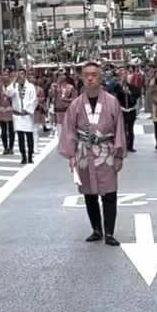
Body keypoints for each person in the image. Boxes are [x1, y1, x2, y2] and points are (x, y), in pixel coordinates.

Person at [58, 62, 127, 246]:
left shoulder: (112, 102)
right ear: (82, 78)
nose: (90, 78)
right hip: (84, 151)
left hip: (106, 151)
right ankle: (96, 229)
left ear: (100, 77)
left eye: (94, 75)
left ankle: (110, 232)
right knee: (89, 193)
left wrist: (119, 155)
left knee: (109, 192)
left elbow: (119, 128)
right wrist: (72, 156)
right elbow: (70, 131)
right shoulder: (75, 104)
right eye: (86, 75)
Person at [7, 68, 38, 164]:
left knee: (29, 136)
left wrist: (27, 108)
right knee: (20, 137)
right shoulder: (15, 86)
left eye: (22, 74)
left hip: (27, 114)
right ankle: (23, 156)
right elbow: (8, 93)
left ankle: (30, 156)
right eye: (19, 74)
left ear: (25, 75)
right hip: (18, 115)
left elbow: (34, 99)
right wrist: (14, 81)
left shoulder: (31, 86)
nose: (20, 75)